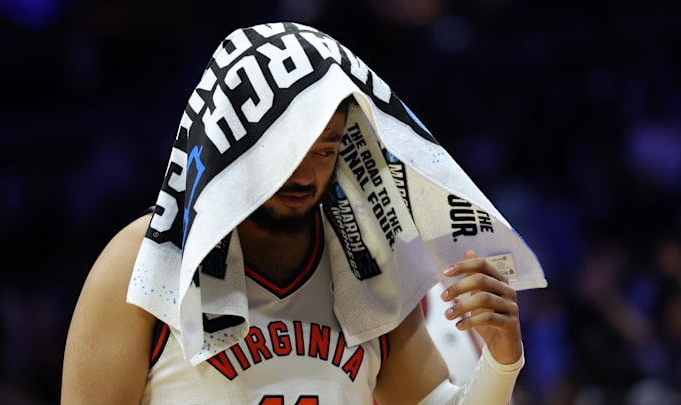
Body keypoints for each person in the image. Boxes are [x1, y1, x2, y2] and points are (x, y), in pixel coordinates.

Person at [61, 22, 541, 404]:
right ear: (236, 146)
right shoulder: (139, 264)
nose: (307, 174)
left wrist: (502, 363)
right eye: (289, 151)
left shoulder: (365, 261)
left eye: (326, 150)